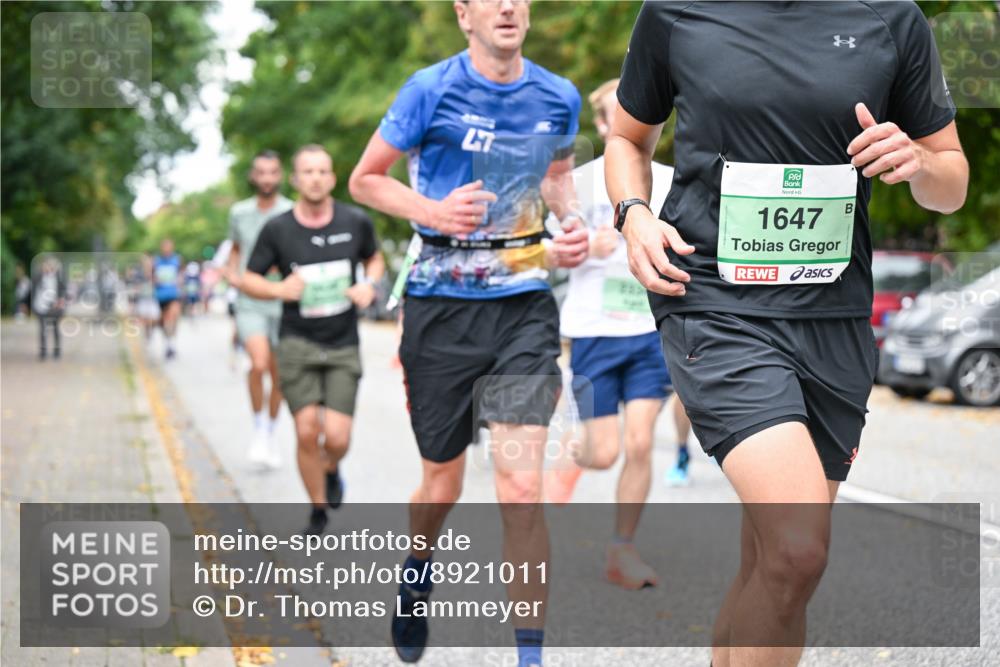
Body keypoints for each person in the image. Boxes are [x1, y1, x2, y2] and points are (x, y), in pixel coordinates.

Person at [606, 3, 968, 666]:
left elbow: (951, 183)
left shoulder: (892, 18)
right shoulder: (678, 12)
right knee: (800, 548)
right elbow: (629, 138)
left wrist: (917, 159)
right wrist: (632, 216)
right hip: (716, 307)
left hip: (834, 320)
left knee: (774, 568)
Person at [349, 1, 588, 665]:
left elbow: (558, 180)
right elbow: (365, 179)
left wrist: (568, 228)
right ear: (465, 14)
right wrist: (432, 209)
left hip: (524, 308)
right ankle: (418, 565)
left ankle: (530, 655)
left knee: (519, 490)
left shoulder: (558, 96)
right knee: (442, 487)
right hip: (439, 310)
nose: (508, 6)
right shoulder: (431, 89)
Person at [543, 77, 688, 589]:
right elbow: (546, 251)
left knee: (642, 442)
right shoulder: (574, 183)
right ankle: (573, 449)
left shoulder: (671, 181)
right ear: (603, 124)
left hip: (649, 328)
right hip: (593, 330)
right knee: (602, 453)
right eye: (611, 115)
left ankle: (622, 549)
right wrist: (585, 248)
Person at [242, 144, 384, 535]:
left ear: (333, 178)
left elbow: (374, 258)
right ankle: (318, 506)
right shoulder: (278, 229)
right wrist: (278, 290)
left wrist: (369, 285)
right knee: (306, 430)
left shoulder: (355, 221)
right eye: (308, 172)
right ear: (295, 179)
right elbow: (249, 277)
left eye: (323, 171)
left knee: (336, 437)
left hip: (342, 343)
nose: (316, 178)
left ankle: (332, 467)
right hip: (297, 343)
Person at [224, 150, 295, 469]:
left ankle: (270, 431)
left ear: (280, 176)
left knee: (279, 374)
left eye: (272, 172)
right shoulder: (239, 213)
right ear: (253, 177)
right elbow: (235, 250)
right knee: (258, 364)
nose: (267, 178)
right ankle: (258, 427)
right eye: (261, 172)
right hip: (250, 300)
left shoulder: (291, 211)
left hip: (283, 302)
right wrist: (232, 275)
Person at [152, 238, 183, 360]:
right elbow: (152, 277)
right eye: (164, 246)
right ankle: (168, 344)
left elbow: (181, 275)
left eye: (168, 246)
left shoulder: (177, 260)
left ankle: (171, 344)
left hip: (174, 295)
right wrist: (156, 280)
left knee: (173, 316)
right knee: (165, 322)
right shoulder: (156, 261)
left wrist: (179, 283)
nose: (166, 249)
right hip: (161, 295)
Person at [32, 256, 66, 360]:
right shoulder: (38, 277)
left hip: (54, 307)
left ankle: (57, 351)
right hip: (41, 307)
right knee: (43, 330)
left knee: (55, 329)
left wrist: (60, 301)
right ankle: (43, 352)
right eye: (45, 265)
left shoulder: (58, 277)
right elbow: (33, 291)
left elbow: (63, 290)